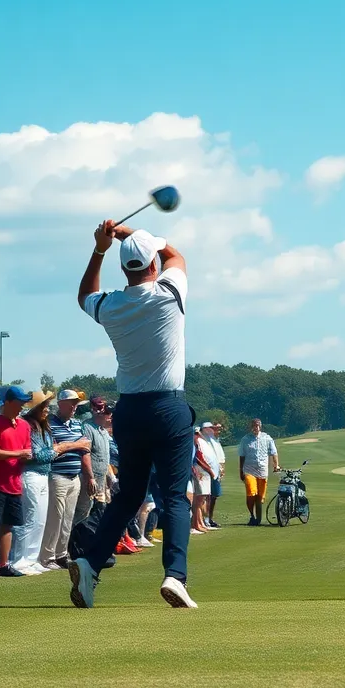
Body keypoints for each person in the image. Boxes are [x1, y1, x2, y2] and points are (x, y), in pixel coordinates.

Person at [71, 221, 198, 609]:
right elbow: (175, 254)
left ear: (124, 269)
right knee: (175, 496)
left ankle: (90, 564)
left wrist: (100, 247)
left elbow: (84, 295)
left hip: (128, 410)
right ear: (153, 267)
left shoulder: (111, 305)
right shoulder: (168, 293)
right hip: (168, 408)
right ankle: (175, 576)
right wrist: (130, 233)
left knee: (129, 496)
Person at [0, 386, 34, 579]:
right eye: (19, 403)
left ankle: (4, 564)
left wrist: (25, 456)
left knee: (8, 524)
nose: (21, 407)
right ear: (8, 403)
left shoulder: (24, 425)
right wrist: (18, 454)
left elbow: (26, 451)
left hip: (14, 482)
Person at [42, 390, 92, 570]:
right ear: (61, 404)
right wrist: (76, 444)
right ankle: (48, 556)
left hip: (74, 477)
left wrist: (89, 476)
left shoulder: (77, 425)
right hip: (57, 476)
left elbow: (85, 450)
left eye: (76, 404)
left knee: (67, 518)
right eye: (71, 403)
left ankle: (61, 553)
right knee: (55, 517)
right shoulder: (49, 424)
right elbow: (53, 449)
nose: (74, 407)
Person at [10, 389, 55, 574]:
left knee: (39, 521)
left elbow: (45, 453)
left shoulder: (43, 427)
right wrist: (57, 451)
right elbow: (37, 455)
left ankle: (31, 558)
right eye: (44, 406)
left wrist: (53, 452)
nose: (47, 410)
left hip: (43, 476)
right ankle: (19, 560)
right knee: (29, 519)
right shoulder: (29, 426)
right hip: (30, 475)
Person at [76, 394, 113, 528]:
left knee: (97, 512)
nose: (109, 415)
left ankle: (84, 544)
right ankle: (73, 545)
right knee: (82, 511)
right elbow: (85, 454)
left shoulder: (103, 431)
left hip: (101, 479)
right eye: (107, 412)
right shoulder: (87, 427)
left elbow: (105, 457)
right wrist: (90, 478)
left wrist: (108, 476)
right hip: (89, 479)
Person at [239, 419, 279, 527]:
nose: (255, 428)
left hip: (262, 470)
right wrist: (241, 471)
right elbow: (242, 456)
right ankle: (252, 514)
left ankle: (258, 518)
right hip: (249, 469)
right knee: (252, 492)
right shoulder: (245, 439)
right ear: (250, 427)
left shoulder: (267, 438)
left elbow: (273, 452)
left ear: (260, 427)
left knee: (260, 497)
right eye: (253, 425)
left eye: (257, 426)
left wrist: (276, 465)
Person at [189, 425, 217, 535]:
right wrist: (209, 470)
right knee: (198, 500)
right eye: (196, 434)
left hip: (203, 473)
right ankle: (197, 524)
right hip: (200, 472)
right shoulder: (195, 444)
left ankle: (200, 523)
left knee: (202, 499)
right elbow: (199, 459)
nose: (198, 436)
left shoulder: (199, 443)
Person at [203, 422, 224, 529]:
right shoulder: (205, 440)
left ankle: (209, 518)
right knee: (207, 496)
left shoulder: (216, 441)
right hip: (207, 471)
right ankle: (205, 519)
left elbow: (220, 457)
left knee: (214, 496)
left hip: (217, 471)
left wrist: (221, 468)